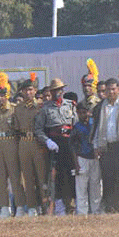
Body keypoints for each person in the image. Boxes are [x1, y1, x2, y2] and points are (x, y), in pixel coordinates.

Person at [34, 79, 77, 215]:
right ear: (51, 92)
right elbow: (38, 130)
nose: (58, 92)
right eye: (55, 90)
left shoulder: (70, 105)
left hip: (69, 142)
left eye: (60, 89)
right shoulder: (45, 108)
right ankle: (59, 206)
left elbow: (75, 124)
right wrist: (47, 141)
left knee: (71, 174)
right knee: (56, 176)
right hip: (55, 144)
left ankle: (71, 205)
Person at [93, 78, 119, 212]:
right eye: (108, 90)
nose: (110, 92)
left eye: (113, 89)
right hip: (106, 147)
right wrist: (96, 146)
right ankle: (110, 207)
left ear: (118, 89)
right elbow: (97, 127)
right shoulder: (101, 106)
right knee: (108, 177)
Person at [11, 79, 46, 216]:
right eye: (25, 90)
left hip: (38, 142)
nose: (28, 92)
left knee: (41, 176)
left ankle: (45, 205)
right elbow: (16, 128)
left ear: (35, 91)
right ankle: (32, 206)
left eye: (30, 89)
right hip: (24, 142)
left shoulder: (40, 106)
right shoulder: (18, 108)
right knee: (28, 176)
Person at [0, 76, 21, 217]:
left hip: (11, 141)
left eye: (2, 95)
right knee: (0, 177)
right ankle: (4, 207)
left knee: (15, 176)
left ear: (8, 95)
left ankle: (20, 206)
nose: (0, 98)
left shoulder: (14, 109)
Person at [72, 102, 101, 215]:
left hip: (95, 158)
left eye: (84, 112)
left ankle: (96, 210)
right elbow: (73, 147)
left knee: (95, 185)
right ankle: (82, 212)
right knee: (81, 187)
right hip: (82, 158)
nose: (82, 115)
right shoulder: (76, 127)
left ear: (89, 112)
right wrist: (76, 164)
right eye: (79, 113)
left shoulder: (95, 124)